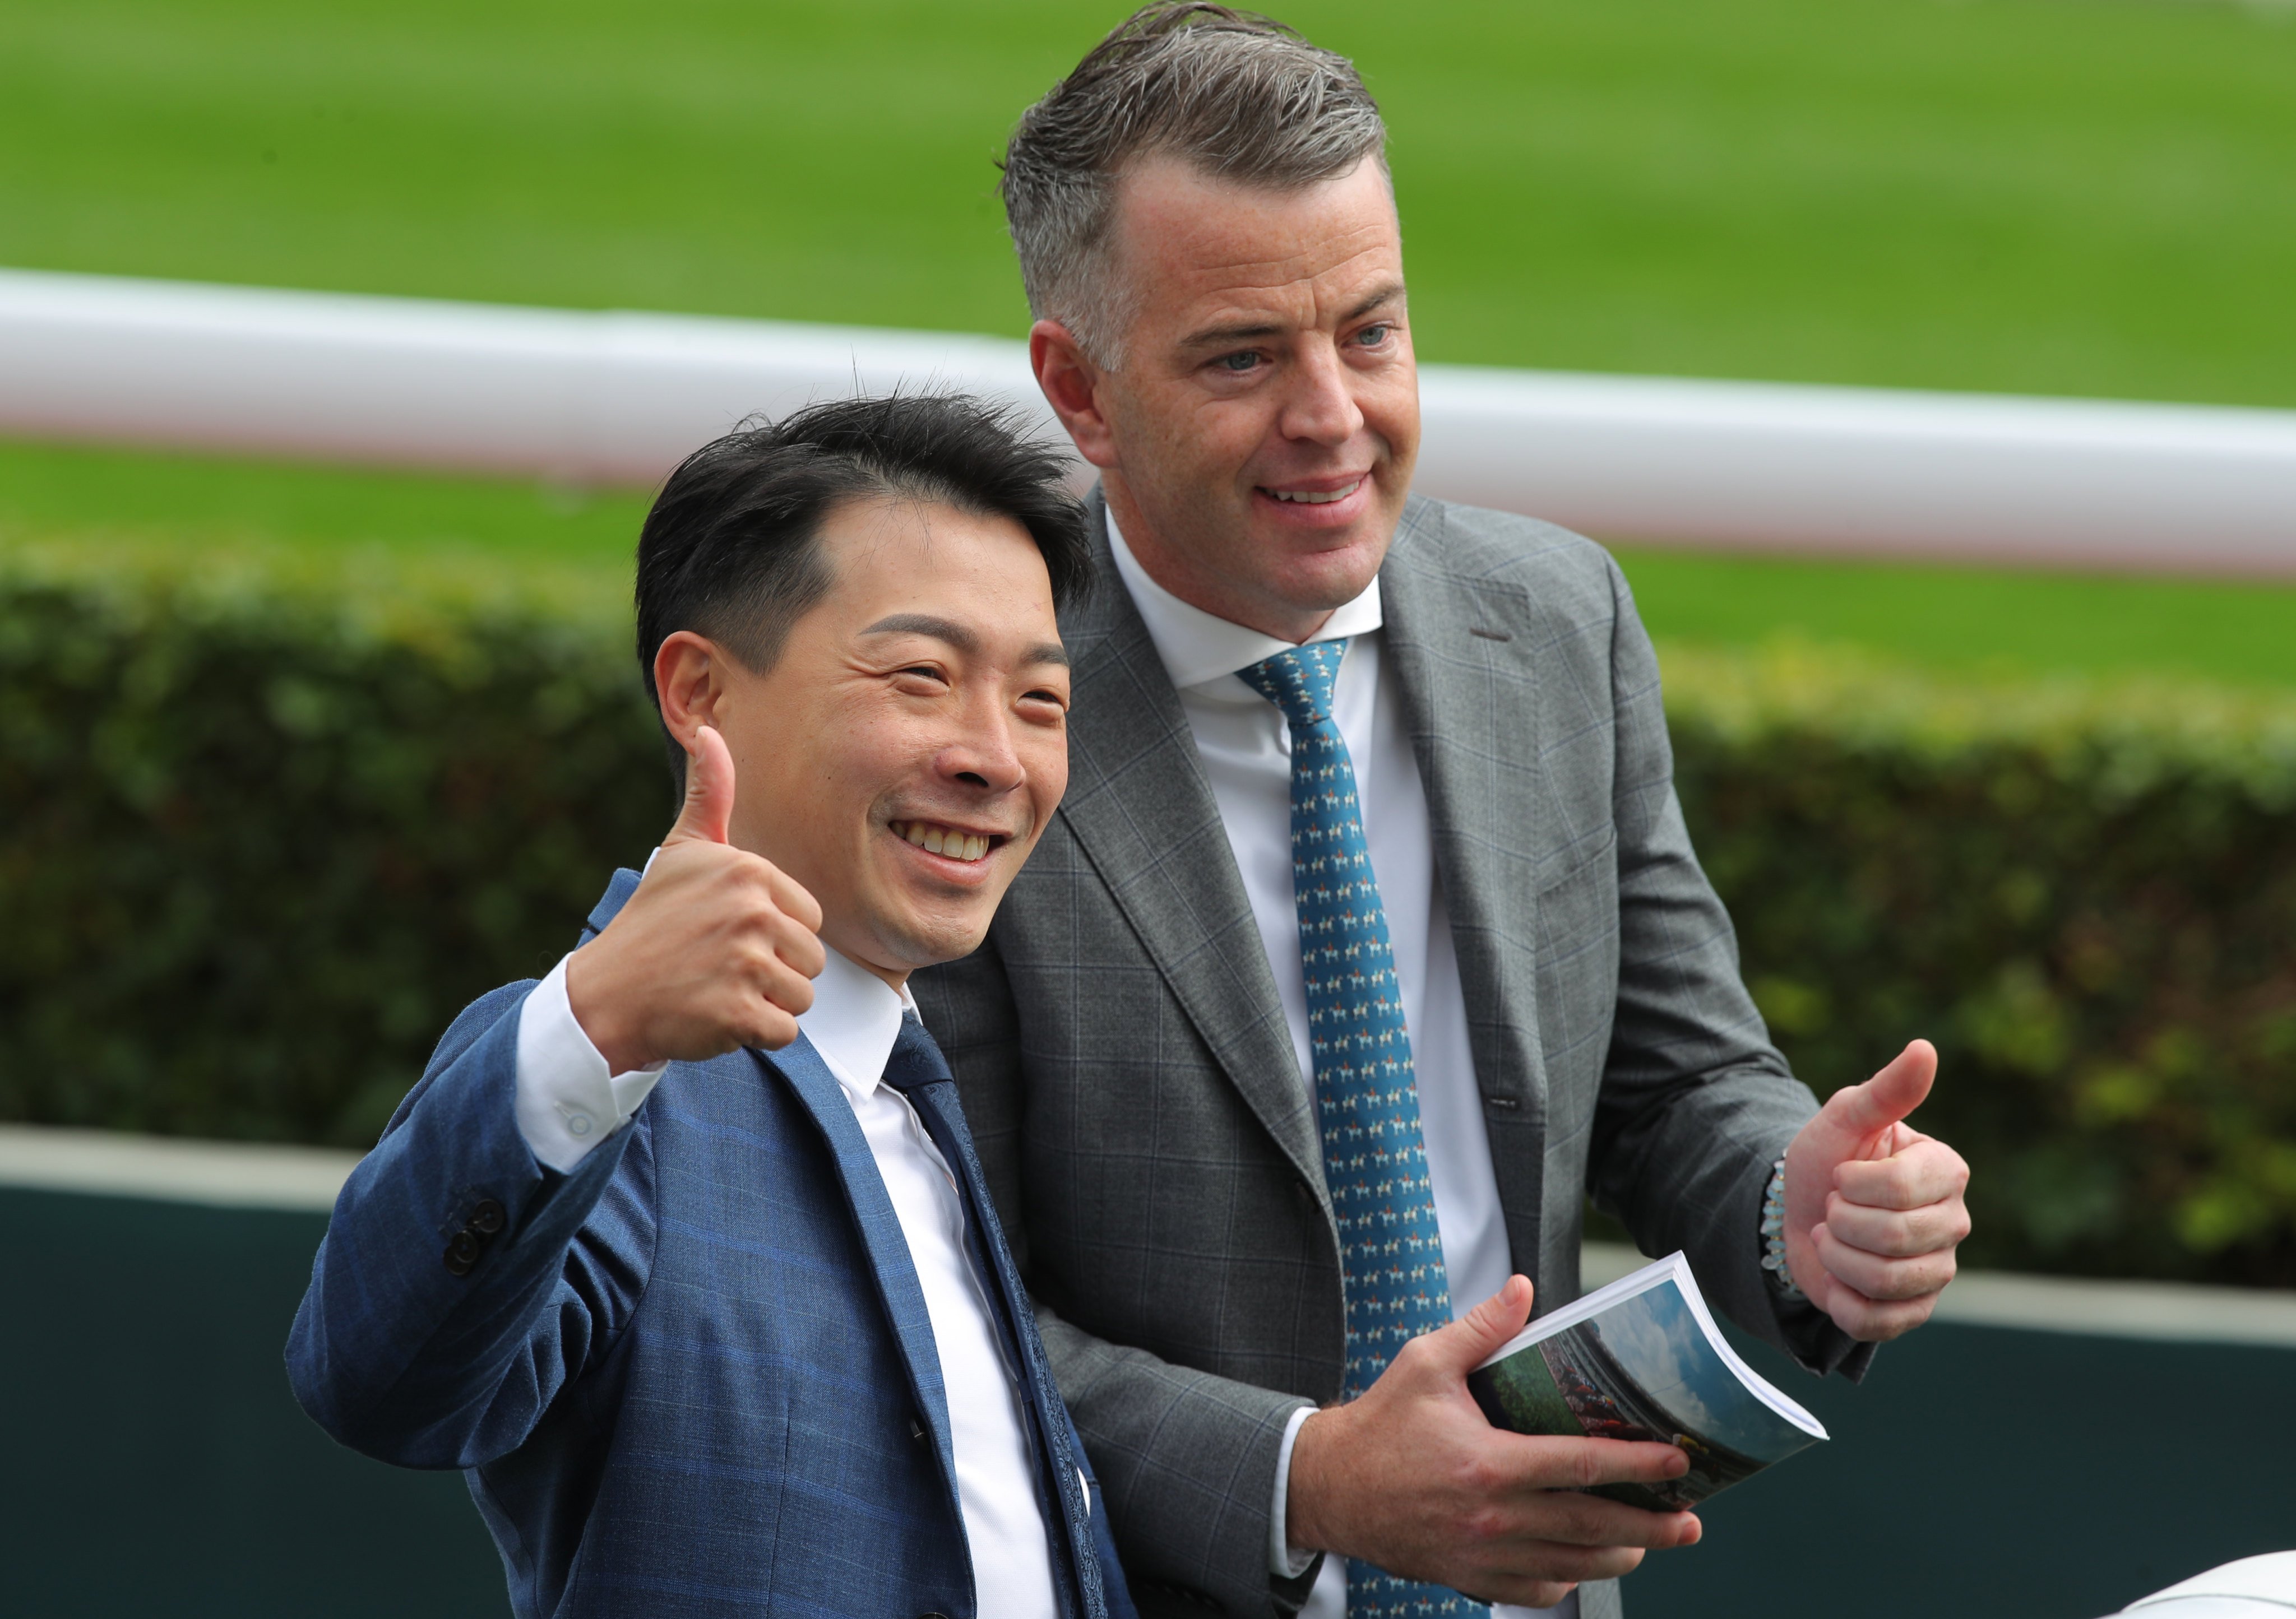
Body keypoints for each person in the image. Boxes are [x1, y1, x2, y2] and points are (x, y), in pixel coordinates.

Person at [909, 8, 1973, 1619]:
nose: (1333, 414)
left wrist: (1797, 1207)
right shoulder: (953, 716)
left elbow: (1678, 1078)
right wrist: (1312, 1478)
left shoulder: (1557, 622)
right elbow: (928, 1303)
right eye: (1242, 356)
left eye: (1373, 332)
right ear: (1081, 388)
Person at [287, 395, 1137, 1619]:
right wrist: (599, 1023)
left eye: (1040, 701)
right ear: (699, 692)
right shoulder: (618, 1085)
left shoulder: (921, 1104)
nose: (995, 756)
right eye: (921, 676)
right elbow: (378, 1375)